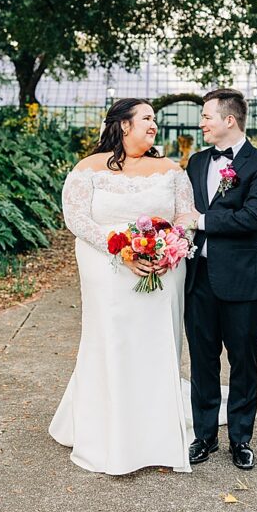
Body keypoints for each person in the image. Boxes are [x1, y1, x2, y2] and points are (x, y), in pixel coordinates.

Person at [50, 98, 199, 476]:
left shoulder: (170, 169)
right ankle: (110, 432)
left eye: (154, 120)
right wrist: (123, 251)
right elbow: (77, 218)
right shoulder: (88, 169)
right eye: (146, 118)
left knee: (157, 341)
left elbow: (186, 214)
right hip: (107, 267)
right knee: (113, 340)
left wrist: (168, 244)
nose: (153, 125)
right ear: (123, 125)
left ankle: (157, 429)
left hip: (163, 270)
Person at [184, 89, 257, 474]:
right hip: (199, 280)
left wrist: (200, 221)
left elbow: (253, 219)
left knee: (243, 362)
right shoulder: (194, 163)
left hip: (243, 283)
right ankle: (205, 436)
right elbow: (179, 211)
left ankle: (241, 439)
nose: (202, 122)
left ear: (229, 120)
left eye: (207, 116)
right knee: (202, 362)